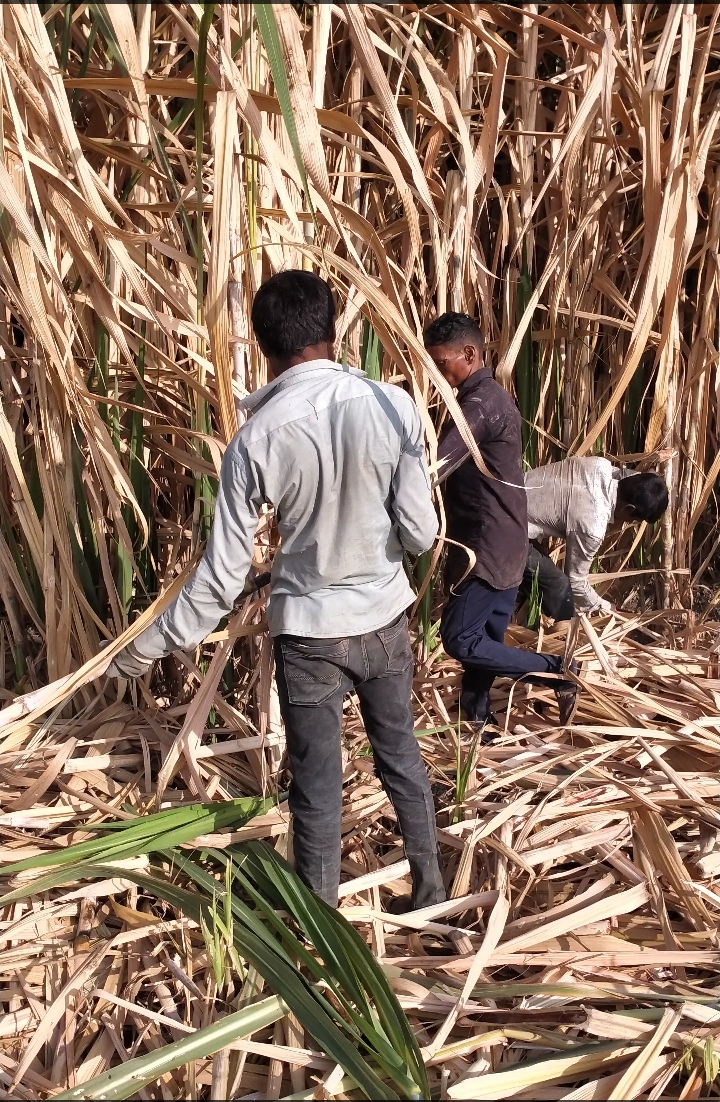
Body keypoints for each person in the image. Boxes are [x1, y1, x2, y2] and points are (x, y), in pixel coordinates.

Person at [107, 270, 445, 912]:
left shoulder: (255, 441)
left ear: (264, 345)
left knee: (317, 788)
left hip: (311, 637)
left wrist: (138, 651)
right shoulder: (392, 406)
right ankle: (432, 893)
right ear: (332, 329)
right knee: (401, 755)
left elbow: (219, 580)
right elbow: (422, 532)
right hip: (384, 621)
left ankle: (322, 932)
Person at [423, 312, 578, 730]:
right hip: (507, 539)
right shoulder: (489, 398)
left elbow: (434, 468)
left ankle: (557, 671)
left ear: (469, 353)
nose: (438, 374)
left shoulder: (479, 407)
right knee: (486, 641)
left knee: (460, 638)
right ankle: (477, 722)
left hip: (486, 546)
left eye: (442, 363)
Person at [521, 458, 669, 620]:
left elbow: (624, 476)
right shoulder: (593, 525)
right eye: (632, 519)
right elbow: (576, 582)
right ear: (628, 509)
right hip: (508, 527)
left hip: (507, 494)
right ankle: (565, 631)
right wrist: (605, 607)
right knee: (558, 586)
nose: (628, 522)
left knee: (540, 569)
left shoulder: (599, 465)